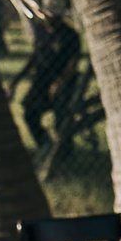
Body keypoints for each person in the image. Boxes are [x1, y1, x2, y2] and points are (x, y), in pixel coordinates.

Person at [12, 15, 83, 147]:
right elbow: (35, 57)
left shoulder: (70, 34)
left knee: (61, 117)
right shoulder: (40, 30)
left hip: (64, 82)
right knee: (29, 111)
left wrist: (60, 82)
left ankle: (64, 151)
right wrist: (16, 81)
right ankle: (45, 144)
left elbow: (73, 63)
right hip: (42, 80)